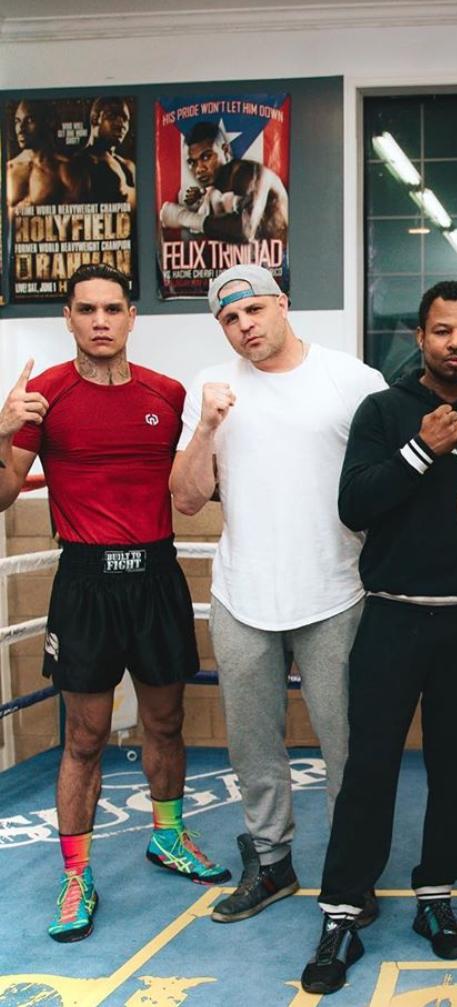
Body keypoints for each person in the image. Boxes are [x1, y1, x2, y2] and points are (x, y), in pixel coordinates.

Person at [0, 264, 229, 943]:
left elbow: (192, 479)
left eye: (112, 308)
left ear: (132, 317)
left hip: (156, 574)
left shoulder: (166, 392)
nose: (100, 320)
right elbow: (4, 494)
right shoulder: (41, 396)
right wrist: (1, 425)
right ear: (68, 319)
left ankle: (168, 835)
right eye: (86, 309)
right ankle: (77, 875)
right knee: (85, 736)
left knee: (166, 722)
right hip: (86, 582)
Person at [299, 281, 457, 994]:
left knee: (455, 767)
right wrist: (421, 449)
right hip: (389, 616)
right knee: (370, 767)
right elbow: (354, 504)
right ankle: (342, 908)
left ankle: (435, 895)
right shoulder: (384, 410)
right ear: (419, 337)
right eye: (443, 330)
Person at [170, 264, 387, 922]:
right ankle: (271, 863)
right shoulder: (212, 393)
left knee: (345, 742)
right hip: (242, 592)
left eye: (254, 310)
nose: (245, 327)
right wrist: (206, 426)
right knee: (252, 743)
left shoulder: (350, 379)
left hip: (334, 589)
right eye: (230, 319)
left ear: (282, 303)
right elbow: (184, 499)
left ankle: (352, 871)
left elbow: (387, 483)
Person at [158, 121, 288, 243]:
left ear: (226, 152)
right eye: (192, 162)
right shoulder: (214, 192)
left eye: (206, 157)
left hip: (281, 262)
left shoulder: (249, 173)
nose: (199, 169)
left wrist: (183, 217)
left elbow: (245, 229)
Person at [67, 97, 136, 207]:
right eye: (113, 116)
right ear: (95, 119)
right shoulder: (80, 163)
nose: (121, 125)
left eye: (125, 119)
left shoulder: (128, 165)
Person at [5, 99, 70, 209]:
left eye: (29, 120)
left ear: (49, 122)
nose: (20, 129)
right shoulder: (8, 168)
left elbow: (79, 221)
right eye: (17, 121)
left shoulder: (66, 168)